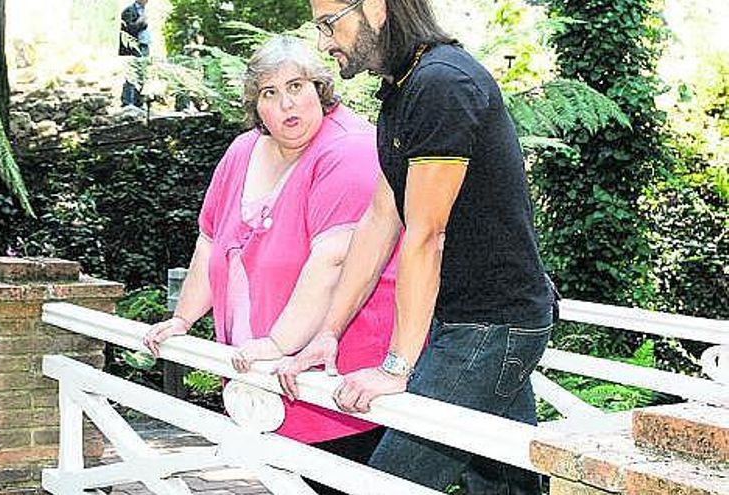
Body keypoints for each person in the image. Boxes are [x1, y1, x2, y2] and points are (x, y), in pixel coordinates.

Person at [276, 0, 559, 493]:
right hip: (471, 321)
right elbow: (381, 219)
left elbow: (426, 234)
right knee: (503, 485)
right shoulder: (404, 90)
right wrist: (329, 331)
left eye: (328, 24)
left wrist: (396, 367)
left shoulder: (442, 84)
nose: (324, 42)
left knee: (388, 483)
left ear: (376, 8)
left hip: (493, 325)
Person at [142, 36, 398, 495]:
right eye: (270, 94)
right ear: (255, 106)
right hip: (267, 377)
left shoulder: (350, 149)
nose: (287, 104)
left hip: (337, 384)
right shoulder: (242, 150)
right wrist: (182, 319)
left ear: (320, 88)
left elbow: (335, 260)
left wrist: (277, 343)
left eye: (297, 86)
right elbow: (210, 240)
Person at [119, 0, 151, 107]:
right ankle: (128, 102)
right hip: (134, 47)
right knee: (131, 74)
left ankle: (138, 102)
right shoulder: (128, 11)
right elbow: (127, 30)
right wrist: (141, 23)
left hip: (144, 46)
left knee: (142, 74)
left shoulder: (145, 10)